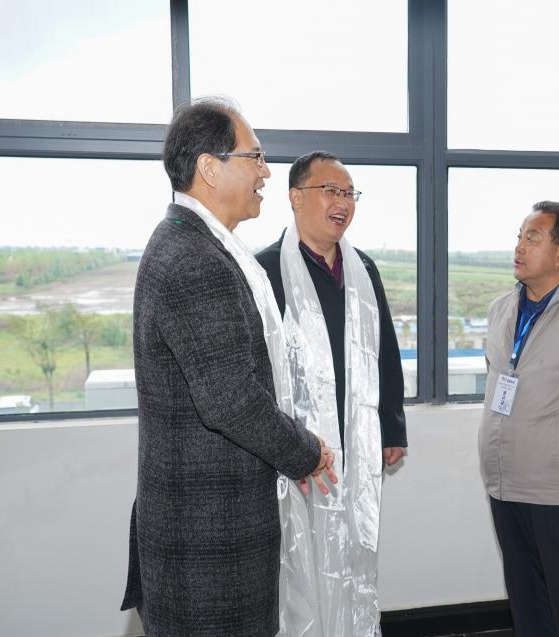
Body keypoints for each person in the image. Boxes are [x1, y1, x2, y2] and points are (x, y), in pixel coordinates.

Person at [120, 97, 336, 637]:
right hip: (209, 537)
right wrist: (307, 452)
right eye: (254, 156)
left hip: (207, 524)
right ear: (209, 168)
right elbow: (232, 401)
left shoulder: (198, 244)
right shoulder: (195, 259)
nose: (266, 172)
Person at [255, 150, 408, 636]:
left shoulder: (363, 270)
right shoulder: (265, 270)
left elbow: (385, 351)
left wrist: (392, 427)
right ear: (295, 197)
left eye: (349, 193)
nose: (342, 202)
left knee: (355, 548)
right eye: (330, 191)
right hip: (295, 444)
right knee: (299, 559)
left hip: (356, 436)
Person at [478, 201, 559, 636]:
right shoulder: (500, 309)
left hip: (557, 489)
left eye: (532, 238)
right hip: (502, 479)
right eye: (519, 236)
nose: (519, 246)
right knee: (525, 596)